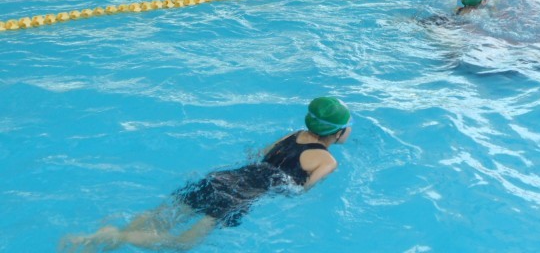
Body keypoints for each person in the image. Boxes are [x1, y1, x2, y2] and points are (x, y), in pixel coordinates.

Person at [59, 97, 352, 252]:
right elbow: (298, 192)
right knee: (183, 244)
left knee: (159, 219)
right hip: (239, 197)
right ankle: (114, 236)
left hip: (223, 178)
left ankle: (101, 240)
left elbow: (258, 156)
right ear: (338, 132)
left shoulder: (294, 134)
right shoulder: (327, 162)